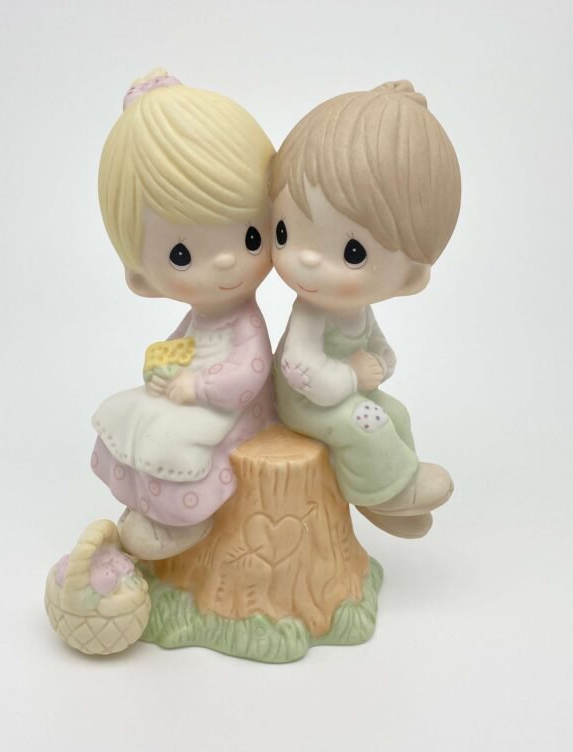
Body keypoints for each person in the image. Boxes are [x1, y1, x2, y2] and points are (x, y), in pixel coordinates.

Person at [92, 70, 275, 559]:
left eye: (250, 237)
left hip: (236, 410)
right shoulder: (199, 319)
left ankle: (184, 519)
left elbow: (251, 371)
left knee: (178, 440)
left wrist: (198, 387)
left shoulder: (245, 321)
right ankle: (146, 505)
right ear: (142, 278)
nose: (227, 261)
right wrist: (162, 369)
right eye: (182, 255)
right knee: (135, 414)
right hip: (187, 394)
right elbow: (180, 346)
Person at [271, 81, 461, 538]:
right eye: (284, 232)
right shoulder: (312, 314)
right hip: (304, 403)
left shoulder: (355, 309)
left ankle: (387, 492)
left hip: (342, 392)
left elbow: (378, 348)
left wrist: (379, 363)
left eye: (351, 252)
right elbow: (302, 369)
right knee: (367, 424)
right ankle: (385, 491)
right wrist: (356, 376)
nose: (306, 259)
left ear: (410, 278)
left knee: (396, 415)